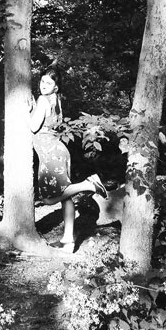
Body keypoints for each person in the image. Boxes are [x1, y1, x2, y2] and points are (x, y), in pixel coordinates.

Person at [29, 67, 108, 253]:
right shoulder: (56, 100)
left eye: (49, 83)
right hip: (59, 151)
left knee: (48, 200)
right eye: (42, 81)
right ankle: (68, 241)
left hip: (51, 153)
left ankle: (89, 185)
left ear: (56, 87)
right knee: (66, 196)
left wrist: (28, 111)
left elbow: (33, 126)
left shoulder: (43, 100)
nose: (44, 85)